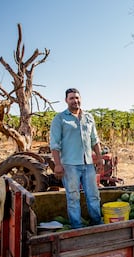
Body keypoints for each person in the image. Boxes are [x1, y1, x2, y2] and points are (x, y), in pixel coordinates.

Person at [50, 88, 104, 228]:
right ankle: (77, 226)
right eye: (72, 98)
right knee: (73, 197)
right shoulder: (60, 118)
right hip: (70, 165)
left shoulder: (88, 117)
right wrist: (57, 164)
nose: (75, 101)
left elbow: (94, 140)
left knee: (93, 195)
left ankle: (96, 223)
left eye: (77, 98)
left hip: (88, 164)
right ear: (66, 100)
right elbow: (55, 144)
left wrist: (99, 158)